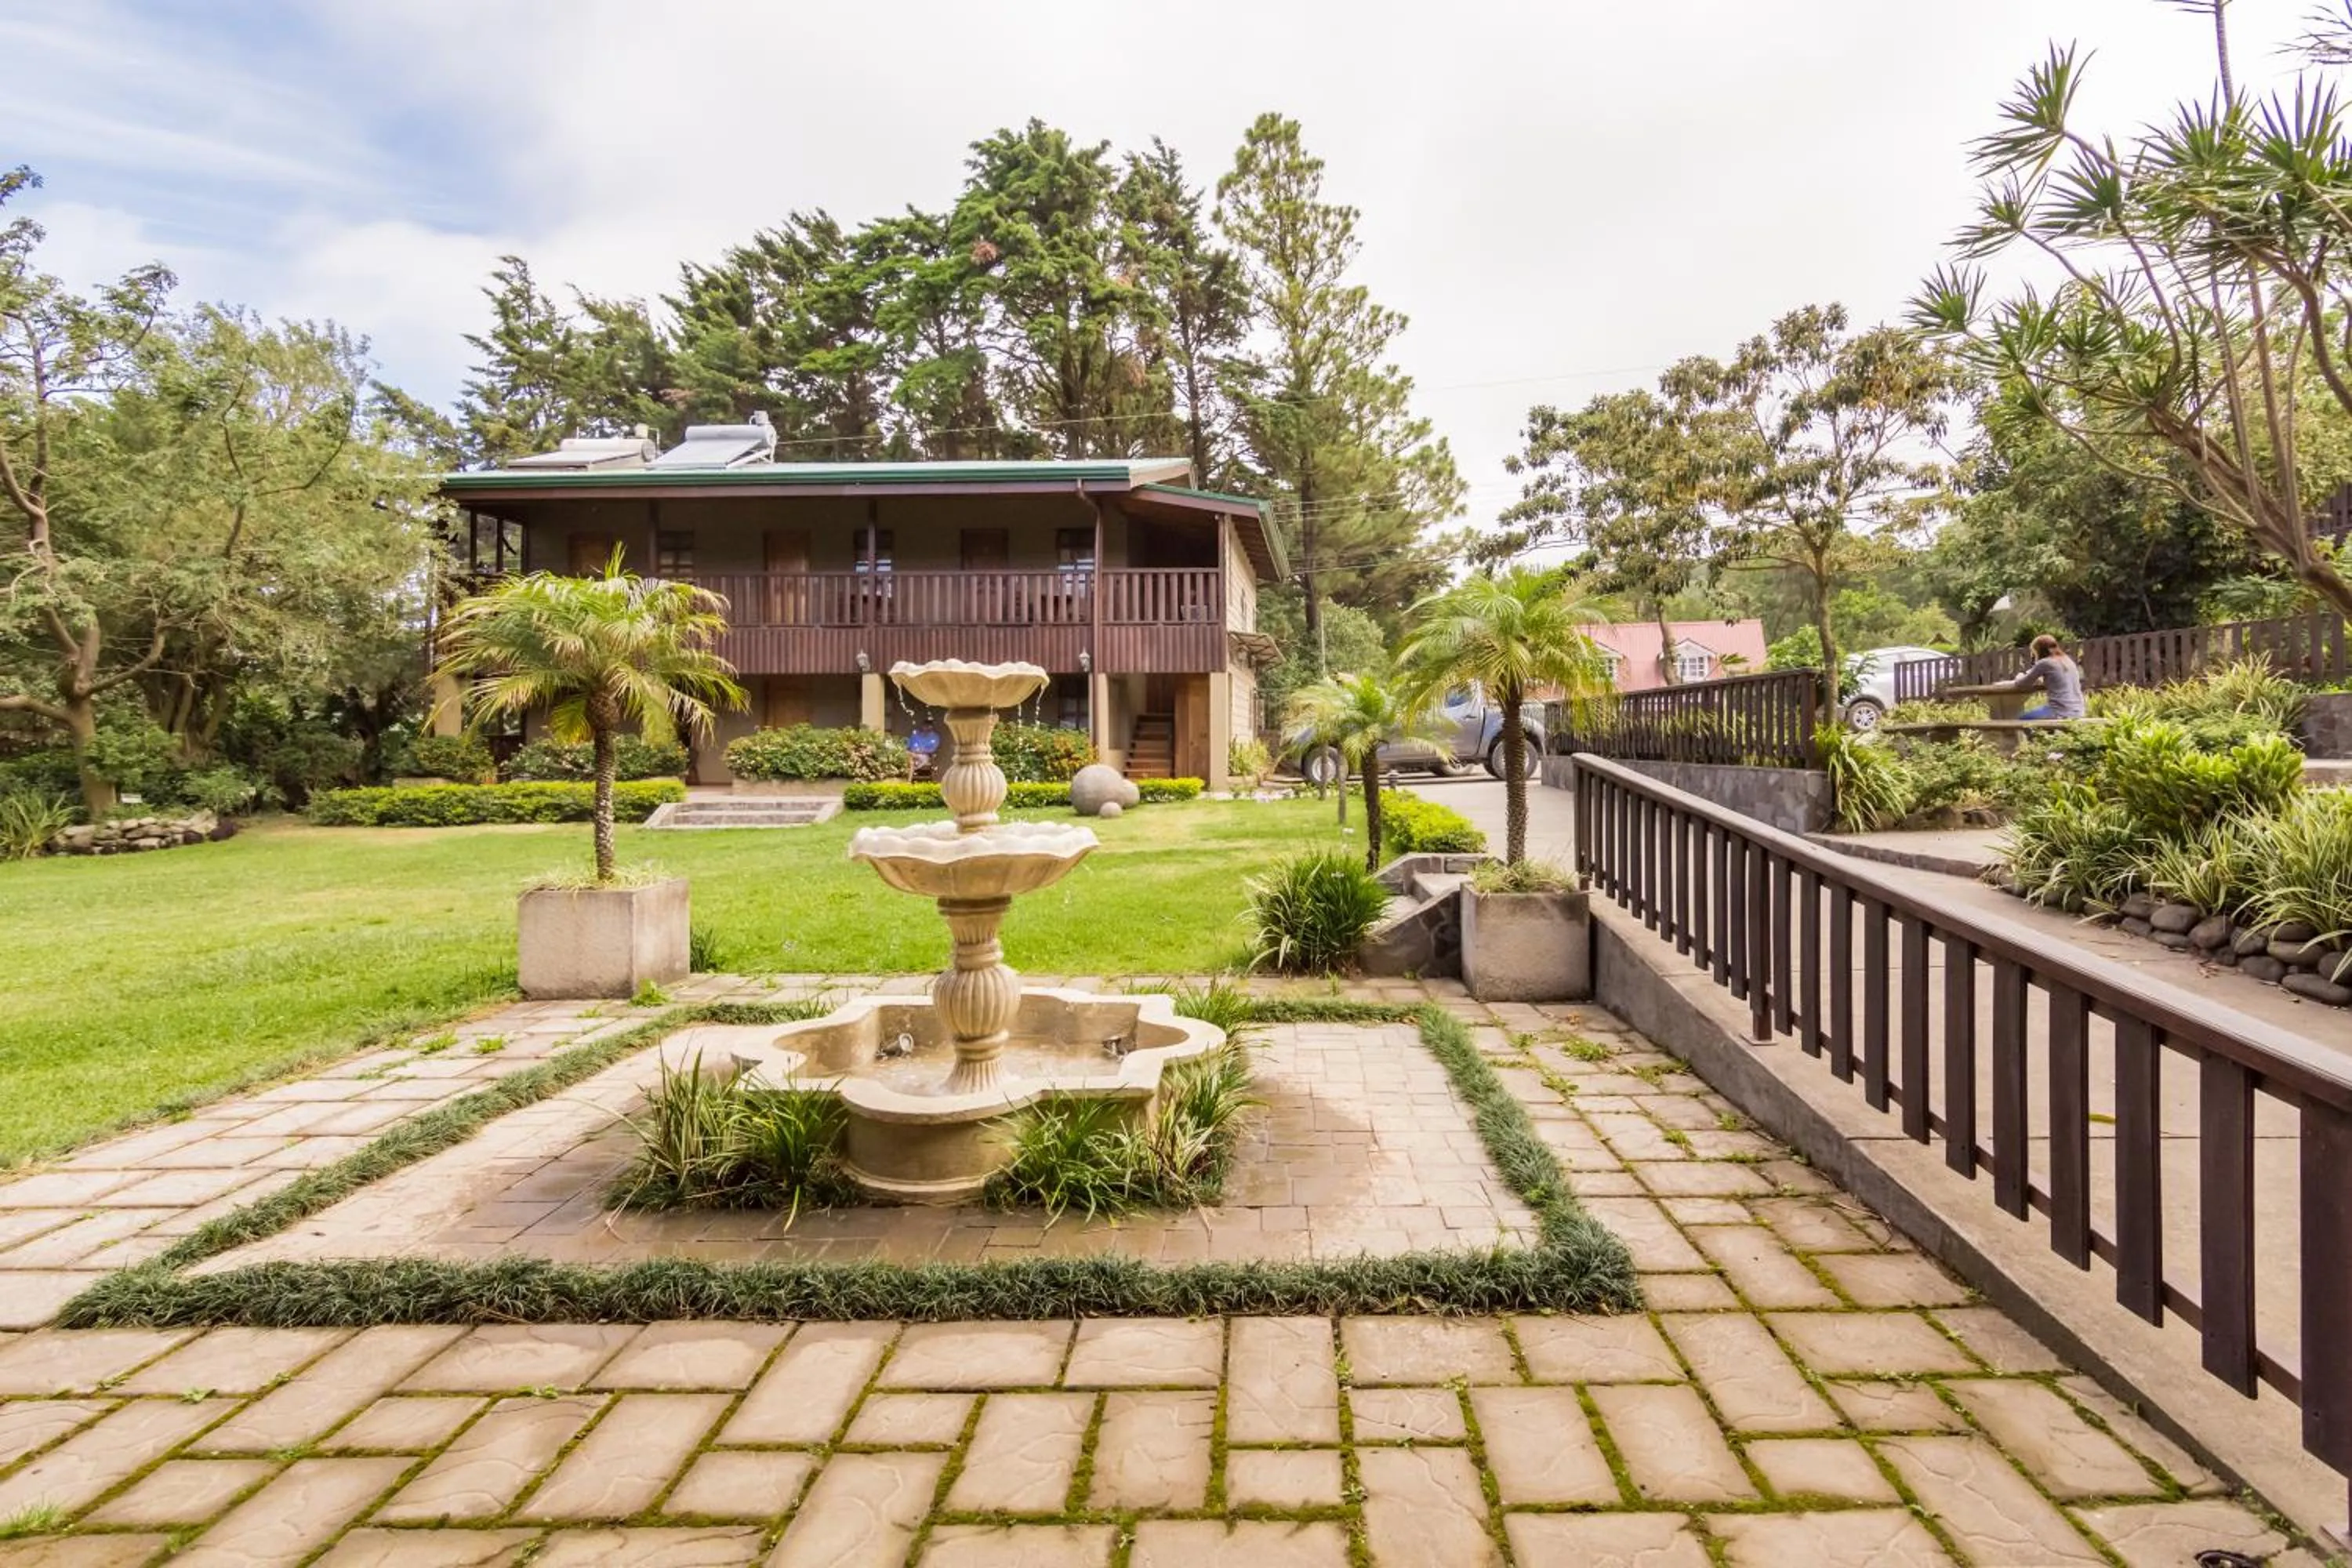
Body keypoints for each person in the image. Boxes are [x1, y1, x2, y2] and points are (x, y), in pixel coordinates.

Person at [2005, 634, 2086, 720]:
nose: (2034, 656)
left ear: (2040, 651)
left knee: (2021, 720)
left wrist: (2020, 676)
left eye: (2034, 653)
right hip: (2078, 711)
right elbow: (2057, 680)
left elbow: (2022, 684)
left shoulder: (2045, 663)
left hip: (2059, 712)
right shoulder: (2068, 661)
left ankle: (2039, 734)